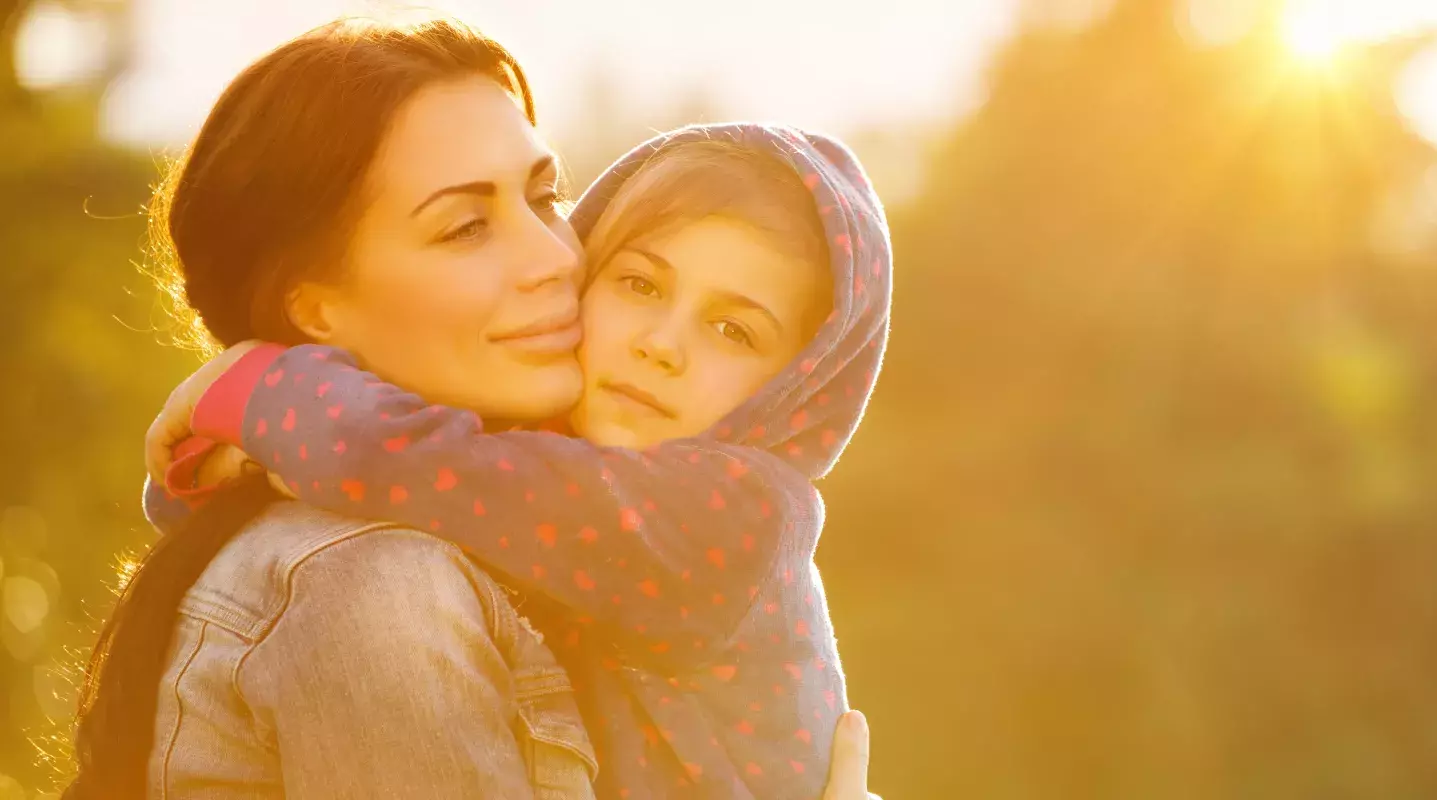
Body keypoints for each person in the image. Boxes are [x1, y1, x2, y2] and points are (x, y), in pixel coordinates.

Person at [71, 17, 880, 799]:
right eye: (464, 228)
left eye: (547, 197)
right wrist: (262, 423)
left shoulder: (720, 513)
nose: (554, 258)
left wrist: (264, 405)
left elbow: (409, 467)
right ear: (315, 311)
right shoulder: (375, 586)